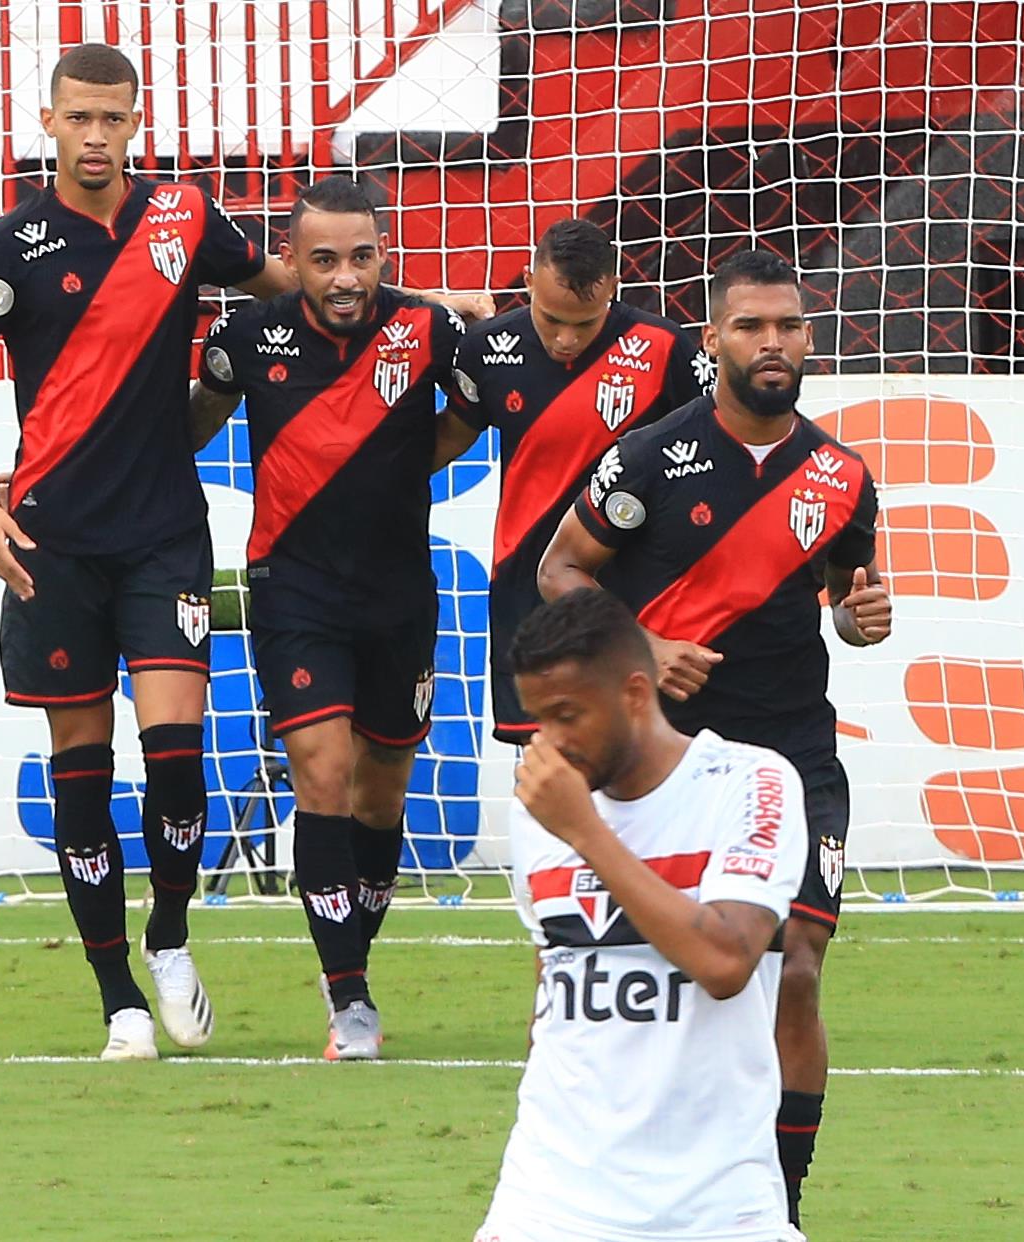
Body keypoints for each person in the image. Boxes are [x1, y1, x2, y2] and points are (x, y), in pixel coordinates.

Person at [0, 42, 296, 1060]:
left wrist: (433, 316)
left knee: (179, 760)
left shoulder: (181, 220)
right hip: (50, 545)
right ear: (47, 122)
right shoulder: (8, 248)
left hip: (165, 536)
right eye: (78, 118)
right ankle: (117, 995)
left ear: (138, 123)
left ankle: (170, 936)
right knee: (80, 772)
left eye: (113, 119)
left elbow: (291, 291)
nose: (96, 136)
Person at [536, 250, 894, 1225]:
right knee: (672, 988)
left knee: (796, 971)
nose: (771, 343)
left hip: (792, 763)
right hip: (669, 764)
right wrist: (641, 642)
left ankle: (775, 1209)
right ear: (713, 343)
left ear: (809, 338)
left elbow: (847, 608)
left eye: (787, 325)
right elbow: (560, 573)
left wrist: (862, 619)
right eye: (749, 327)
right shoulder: (650, 457)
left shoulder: (840, 477)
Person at [188, 176, 466, 1060]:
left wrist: (397, 461)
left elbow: (491, 396)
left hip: (398, 595)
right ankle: (349, 1001)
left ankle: (349, 960)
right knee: (323, 770)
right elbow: (183, 426)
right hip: (293, 588)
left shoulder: (429, 330)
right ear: (292, 263)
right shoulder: (243, 338)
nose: (345, 277)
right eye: (323, 260)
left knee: (382, 792)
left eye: (361, 257)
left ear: (383, 254)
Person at [477, 588, 806, 1242]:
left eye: (568, 715)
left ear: (634, 693)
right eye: (539, 719)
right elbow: (555, 971)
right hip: (547, 1199)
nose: (551, 743)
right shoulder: (538, 809)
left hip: (713, 1209)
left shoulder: (750, 782)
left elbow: (725, 961)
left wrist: (586, 833)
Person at [432, 218, 714, 745]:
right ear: (528, 282)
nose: (565, 339)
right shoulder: (486, 348)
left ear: (612, 288)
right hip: (527, 590)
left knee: (644, 773)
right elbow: (451, 435)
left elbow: (722, 447)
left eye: (585, 324)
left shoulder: (665, 350)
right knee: (549, 774)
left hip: (642, 602)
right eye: (551, 318)